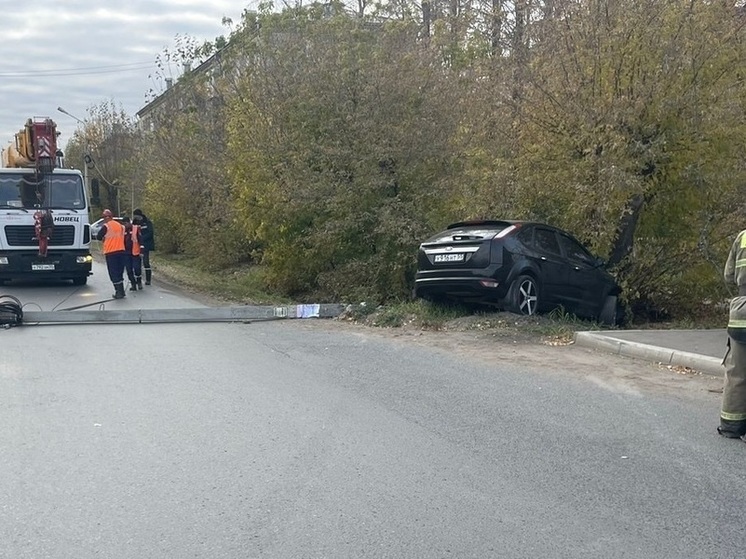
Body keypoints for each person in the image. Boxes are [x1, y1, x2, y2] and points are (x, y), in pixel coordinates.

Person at [719, 229, 746, 438]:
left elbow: (728, 276)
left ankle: (731, 425)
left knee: (737, 372)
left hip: (741, 313)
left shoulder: (742, 237)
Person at [96, 209, 128, 299]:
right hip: (121, 251)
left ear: (105, 218)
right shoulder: (121, 226)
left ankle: (119, 292)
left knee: (113, 273)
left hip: (111, 252)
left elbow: (98, 236)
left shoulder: (106, 226)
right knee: (119, 271)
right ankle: (121, 291)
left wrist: (104, 239)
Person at [132, 208, 155, 285]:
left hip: (146, 244)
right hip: (136, 244)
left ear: (139, 215)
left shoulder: (147, 222)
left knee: (146, 262)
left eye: (136, 216)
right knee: (137, 263)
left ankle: (148, 280)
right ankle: (138, 280)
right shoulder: (134, 222)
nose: (135, 217)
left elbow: (150, 232)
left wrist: (142, 238)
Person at [122, 216, 143, 291]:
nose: (124, 225)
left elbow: (141, 240)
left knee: (137, 268)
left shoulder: (135, 229)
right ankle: (133, 284)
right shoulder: (122, 230)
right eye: (123, 224)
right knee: (129, 270)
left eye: (125, 223)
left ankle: (139, 281)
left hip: (135, 252)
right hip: (126, 253)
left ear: (129, 222)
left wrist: (141, 251)